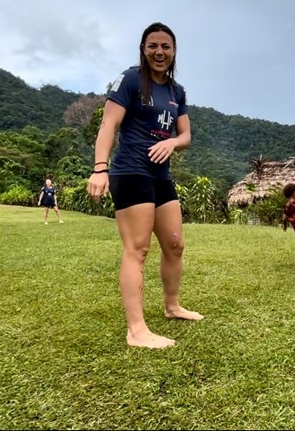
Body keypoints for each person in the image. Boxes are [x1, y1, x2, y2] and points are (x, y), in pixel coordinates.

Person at [86, 22, 202, 349]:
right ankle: (136, 331)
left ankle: (172, 306)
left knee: (175, 243)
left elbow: (186, 135)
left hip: (160, 175)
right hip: (130, 171)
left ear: (174, 51)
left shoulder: (176, 91)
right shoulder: (132, 79)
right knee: (137, 249)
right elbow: (109, 123)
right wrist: (100, 169)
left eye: (166, 46)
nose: (159, 52)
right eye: (153, 46)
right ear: (143, 49)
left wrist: (173, 144)